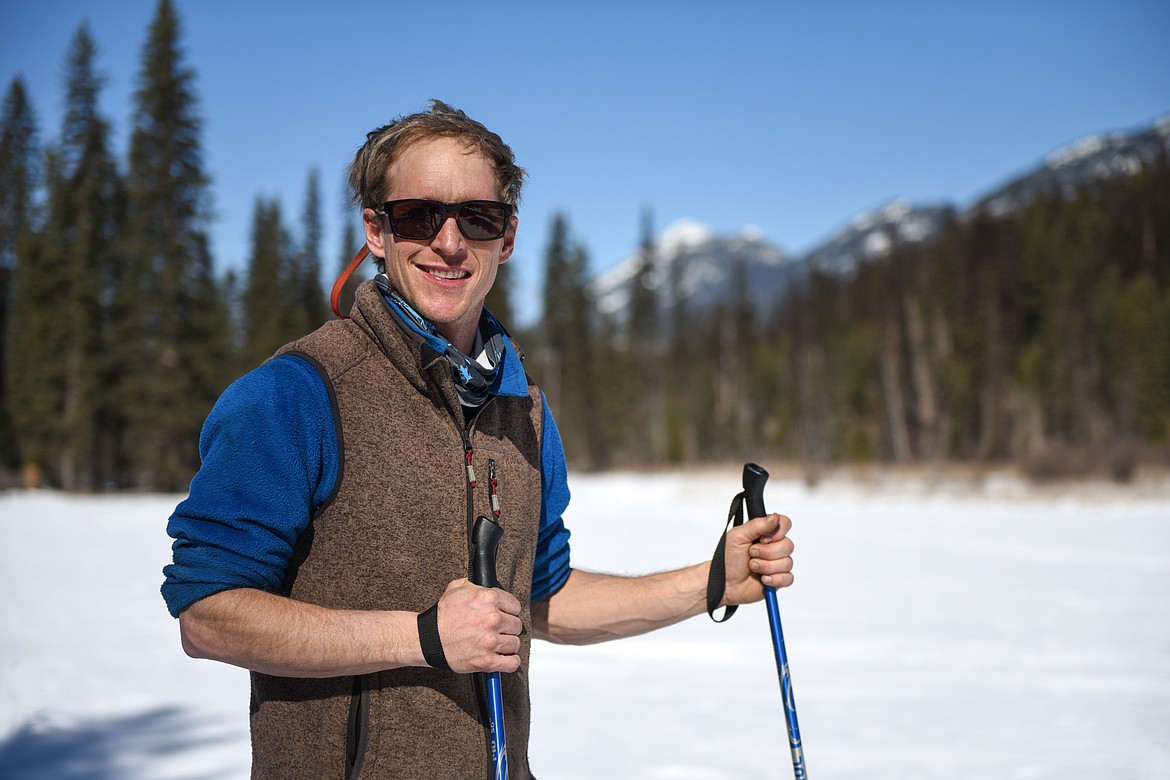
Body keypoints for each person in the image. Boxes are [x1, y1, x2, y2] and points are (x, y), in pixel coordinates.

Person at [162, 100, 795, 780]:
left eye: (478, 217)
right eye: (418, 215)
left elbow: (540, 601)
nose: (450, 242)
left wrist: (711, 581)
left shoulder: (523, 410)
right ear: (376, 230)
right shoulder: (295, 394)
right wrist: (424, 636)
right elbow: (210, 615)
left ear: (508, 236)